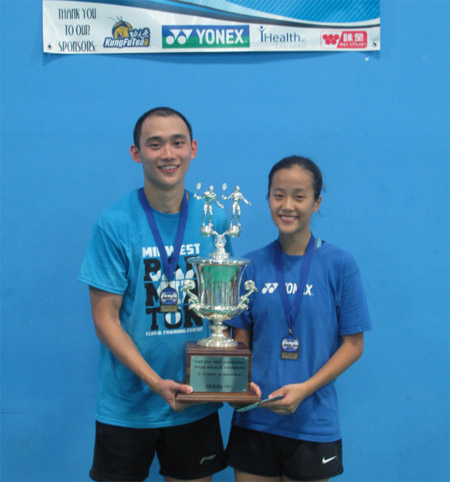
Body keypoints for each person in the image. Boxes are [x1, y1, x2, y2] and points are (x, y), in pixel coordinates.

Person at [78, 107, 229, 482]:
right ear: (136, 153)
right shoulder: (114, 224)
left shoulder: (215, 221)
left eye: (177, 143)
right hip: (128, 405)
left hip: (194, 400)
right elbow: (105, 320)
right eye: (155, 144)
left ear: (193, 148)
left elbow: (224, 310)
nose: (168, 154)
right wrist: (154, 381)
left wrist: (231, 376)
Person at [225, 156, 371, 482]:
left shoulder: (340, 265)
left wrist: (305, 389)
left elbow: (353, 345)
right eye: (278, 195)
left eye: (299, 196)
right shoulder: (249, 267)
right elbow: (240, 341)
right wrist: (237, 388)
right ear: (268, 198)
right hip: (255, 420)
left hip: (313, 423)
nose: (287, 205)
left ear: (316, 202)